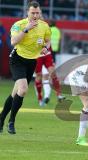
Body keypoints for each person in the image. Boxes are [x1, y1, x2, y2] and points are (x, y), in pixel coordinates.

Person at [0, 1, 51, 134]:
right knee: (23, 90)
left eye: (37, 13)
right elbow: (13, 41)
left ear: (40, 13)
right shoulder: (19, 25)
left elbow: (48, 40)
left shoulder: (44, 26)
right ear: (27, 13)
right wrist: (27, 29)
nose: (35, 15)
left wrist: (46, 47)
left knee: (14, 94)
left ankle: (1, 120)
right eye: (33, 13)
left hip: (31, 62)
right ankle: (11, 122)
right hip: (17, 59)